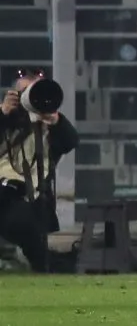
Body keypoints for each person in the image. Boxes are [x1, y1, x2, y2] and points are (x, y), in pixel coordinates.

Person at [0, 72, 78, 273]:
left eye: (33, 91)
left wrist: (56, 119)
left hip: (27, 195)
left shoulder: (49, 123)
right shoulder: (7, 119)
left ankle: (48, 264)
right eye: (23, 92)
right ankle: (48, 263)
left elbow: (71, 141)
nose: (28, 97)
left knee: (21, 219)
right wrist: (3, 112)